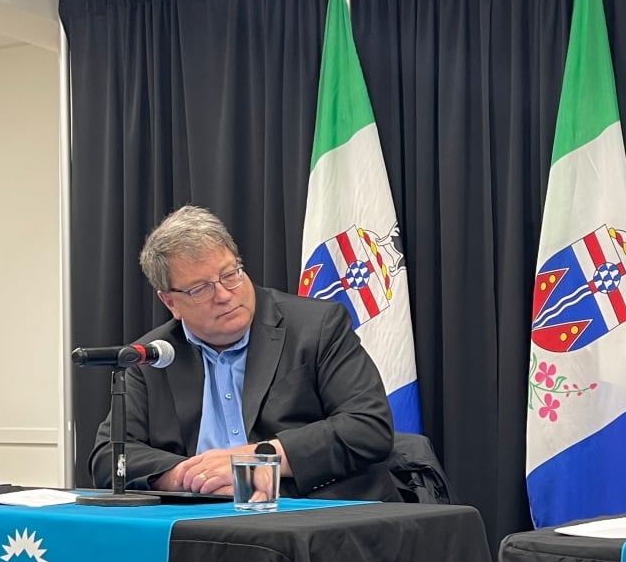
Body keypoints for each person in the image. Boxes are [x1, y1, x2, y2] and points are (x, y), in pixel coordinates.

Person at [89, 205, 400, 502]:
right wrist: (192, 477)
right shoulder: (152, 357)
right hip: (203, 523)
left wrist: (257, 462)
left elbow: (367, 427)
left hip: (308, 516)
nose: (224, 295)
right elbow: (108, 457)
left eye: (230, 274)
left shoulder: (316, 327)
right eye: (200, 289)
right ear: (170, 302)